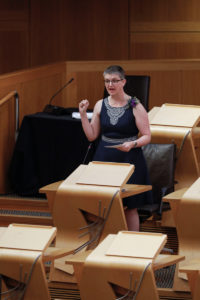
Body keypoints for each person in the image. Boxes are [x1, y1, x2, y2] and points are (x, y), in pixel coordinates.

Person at [79, 65, 152, 231]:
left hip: (129, 159)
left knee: (130, 207)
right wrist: (83, 115)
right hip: (104, 158)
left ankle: (131, 247)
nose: (110, 85)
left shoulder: (135, 104)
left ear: (123, 82)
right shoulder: (100, 104)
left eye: (114, 81)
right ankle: (104, 242)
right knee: (99, 203)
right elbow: (91, 135)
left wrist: (133, 144)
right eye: (106, 81)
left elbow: (147, 136)